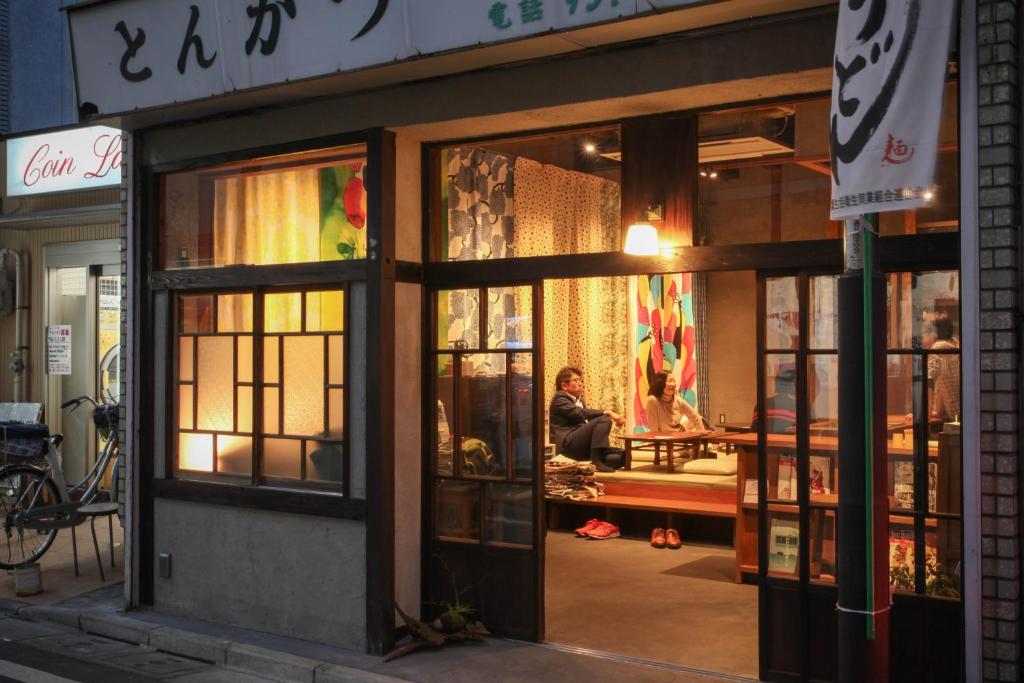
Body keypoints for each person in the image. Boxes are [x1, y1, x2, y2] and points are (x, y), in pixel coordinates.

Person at [548, 366, 625, 472]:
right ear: (564, 385)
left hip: (579, 445)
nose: (580, 383)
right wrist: (607, 412)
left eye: (581, 380)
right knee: (604, 419)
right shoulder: (559, 399)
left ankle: (598, 458)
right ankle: (596, 460)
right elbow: (580, 413)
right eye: (576, 380)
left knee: (623, 456)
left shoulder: (580, 401)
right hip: (567, 447)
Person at [644, 371, 708, 432]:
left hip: (681, 437)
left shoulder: (678, 400)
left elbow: (695, 417)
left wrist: (701, 438)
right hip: (665, 440)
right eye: (670, 381)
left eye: (674, 381)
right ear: (660, 383)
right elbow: (653, 429)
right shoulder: (652, 400)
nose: (673, 384)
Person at [928, 317, 960, 421]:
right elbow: (941, 409)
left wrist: (923, 412)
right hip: (961, 414)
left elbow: (929, 379)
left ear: (935, 333)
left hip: (954, 416)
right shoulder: (956, 345)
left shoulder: (939, 348)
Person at [750, 364, 797, 434]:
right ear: (793, 386)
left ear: (776, 385)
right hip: (787, 444)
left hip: (762, 444)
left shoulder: (762, 403)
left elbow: (754, 430)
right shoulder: (798, 406)